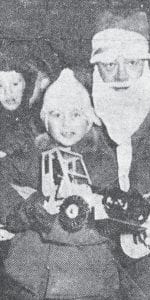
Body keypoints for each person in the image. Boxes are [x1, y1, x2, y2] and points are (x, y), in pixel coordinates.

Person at [1, 68, 121, 300]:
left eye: (75, 114)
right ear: (45, 121)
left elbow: (108, 224)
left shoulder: (103, 163)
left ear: (89, 120)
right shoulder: (34, 155)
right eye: (56, 115)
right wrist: (24, 211)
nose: (66, 123)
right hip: (31, 276)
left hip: (86, 276)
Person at [90, 9, 150, 194]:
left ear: (145, 64)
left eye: (132, 63)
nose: (121, 76)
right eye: (110, 65)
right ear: (96, 66)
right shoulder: (78, 102)